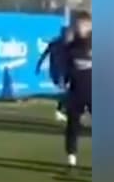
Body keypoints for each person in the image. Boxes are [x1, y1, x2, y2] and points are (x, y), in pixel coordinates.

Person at [61, 12, 92, 168]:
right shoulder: (71, 45)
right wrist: (65, 79)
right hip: (76, 90)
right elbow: (66, 65)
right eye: (78, 25)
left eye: (84, 25)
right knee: (72, 124)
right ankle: (71, 158)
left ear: (90, 26)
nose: (80, 28)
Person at [36, 25, 74, 122]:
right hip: (58, 72)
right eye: (67, 33)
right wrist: (38, 66)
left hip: (66, 71)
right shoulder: (55, 44)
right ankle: (60, 111)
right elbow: (44, 55)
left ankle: (63, 110)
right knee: (67, 91)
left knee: (70, 91)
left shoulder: (69, 44)